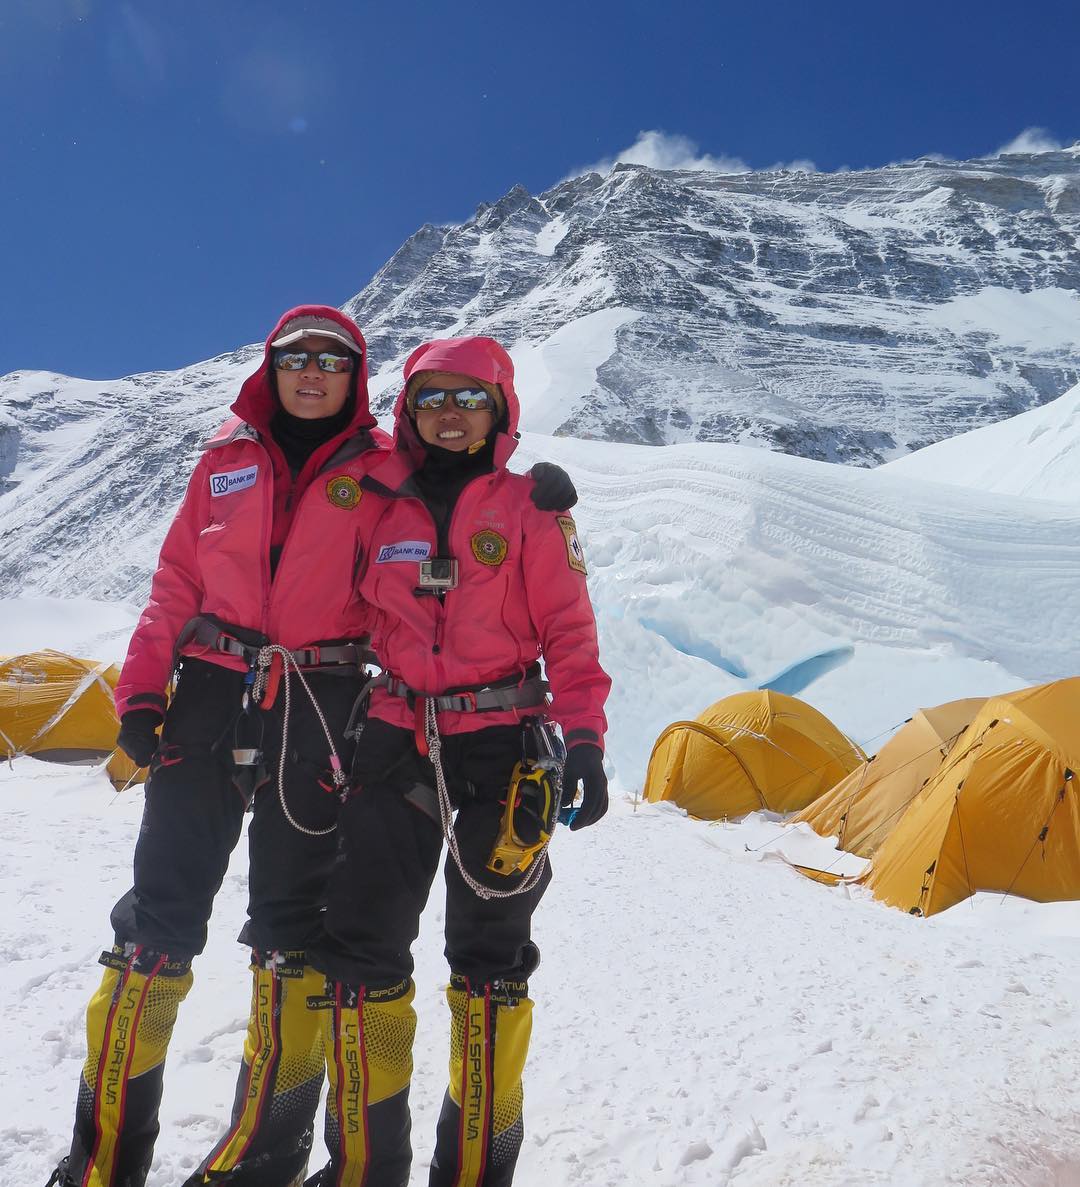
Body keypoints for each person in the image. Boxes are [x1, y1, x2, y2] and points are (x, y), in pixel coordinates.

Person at [44, 306, 579, 1187]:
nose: (313, 370)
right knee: (156, 921)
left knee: (294, 932)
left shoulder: (384, 471)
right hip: (211, 692)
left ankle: (264, 1153)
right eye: (297, 356)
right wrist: (142, 691)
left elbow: (458, 491)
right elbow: (175, 579)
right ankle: (99, 1162)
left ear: (356, 374)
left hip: (323, 700)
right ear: (274, 366)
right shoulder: (222, 462)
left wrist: (540, 493)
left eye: (334, 359)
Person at [305, 336, 611, 1187]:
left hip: (504, 749)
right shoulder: (374, 500)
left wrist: (584, 737)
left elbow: (571, 634)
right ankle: (365, 1171)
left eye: (470, 399)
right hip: (396, 737)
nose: (450, 413)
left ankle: (474, 1173)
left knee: (490, 960)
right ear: (409, 409)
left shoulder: (532, 509)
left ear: (499, 412)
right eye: (434, 396)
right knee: (362, 950)